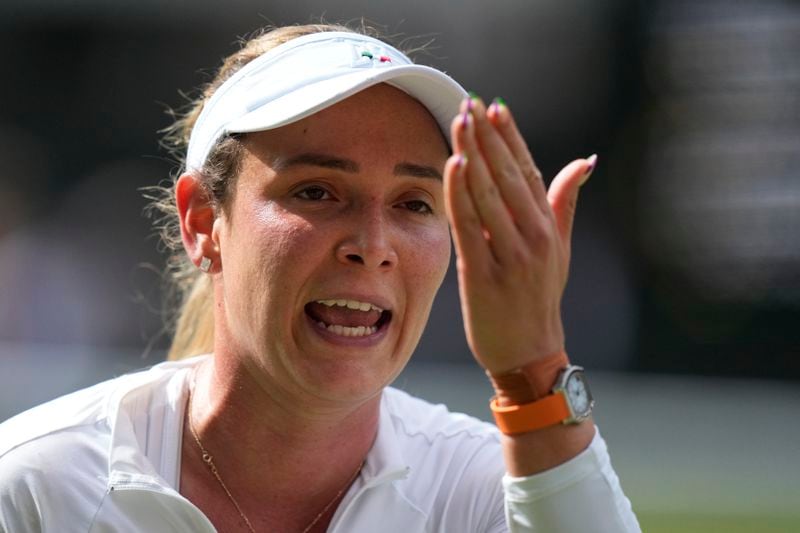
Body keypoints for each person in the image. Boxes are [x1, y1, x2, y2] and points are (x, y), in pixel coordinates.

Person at [0, 23, 641, 532]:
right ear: (202, 220)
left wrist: (534, 375)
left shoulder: (483, 491)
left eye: (414, 203)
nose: (372, 245)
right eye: (316, 191)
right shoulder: (37, 486)